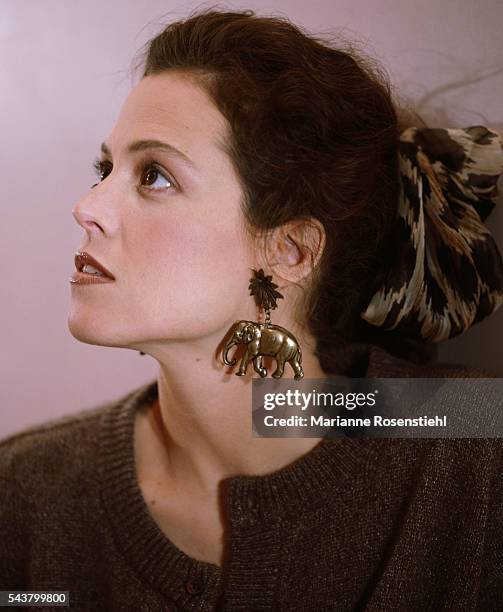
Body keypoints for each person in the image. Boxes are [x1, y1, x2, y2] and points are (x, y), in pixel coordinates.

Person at [1, 8, 502, 611]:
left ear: (289, 250)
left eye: (155, 175)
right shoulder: (22, 493)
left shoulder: (475, 442)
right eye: (106, 169)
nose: (87, 206)